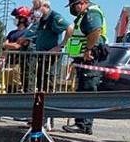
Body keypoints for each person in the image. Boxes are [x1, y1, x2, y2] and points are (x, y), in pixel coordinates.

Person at [62, 0, 106, 133]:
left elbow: (95, 31)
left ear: (81, 3)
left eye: (73, 6)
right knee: (82, 90)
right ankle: (81, 123)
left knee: (87, 90)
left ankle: (84, 125)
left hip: (91, 58)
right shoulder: (83, 15)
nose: (72, 10)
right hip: (83, 59)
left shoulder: (92, 13)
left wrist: (88, 49)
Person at [24, 1, 68, 91]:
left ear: (45, 6)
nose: (34, 9)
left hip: (51, 57)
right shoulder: (41, 20)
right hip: (42, 56)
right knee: (41, 83)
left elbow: (69, 28)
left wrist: (61, 46)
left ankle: (50, 102)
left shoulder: (54, 17)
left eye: (36, 7)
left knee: (49, 82)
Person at [2, 6, 33, 92]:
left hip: (18, 63)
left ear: (22, 19)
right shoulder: (11, 33)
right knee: (8, 86)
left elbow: (17, 46)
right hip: (9, 63)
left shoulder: (26, 33)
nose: (15, 19)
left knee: (17, 86)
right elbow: (5, 45)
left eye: (16, 17)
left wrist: (7, 45)